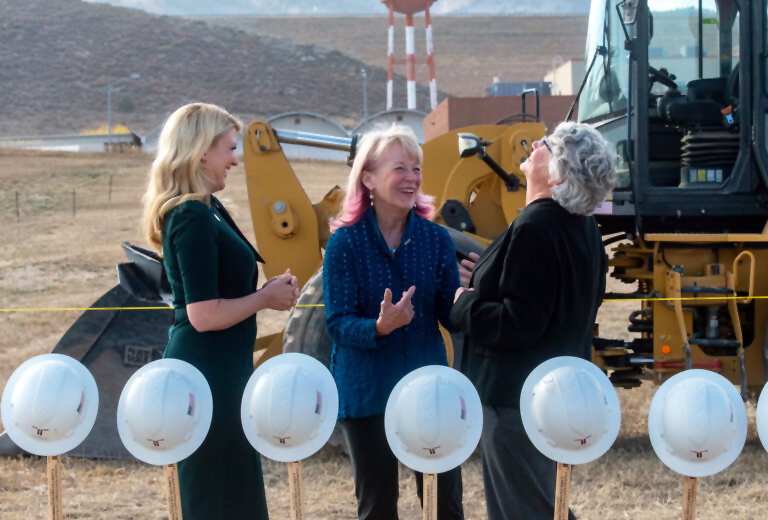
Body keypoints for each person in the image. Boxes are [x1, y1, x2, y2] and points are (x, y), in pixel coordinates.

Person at [451, 121, 615, 520]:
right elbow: (561, 302)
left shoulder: (535, 226)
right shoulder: (584, 228)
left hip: (514, 401)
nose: (536, 144)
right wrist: (486, 278)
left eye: (549, 144)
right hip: (555, 394)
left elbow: (518, 322)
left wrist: (463, 304)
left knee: (524, 510)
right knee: (543, 504)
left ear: (557, 172)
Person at [141, 103, 298, 519]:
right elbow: (203, 315)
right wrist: (265, 297)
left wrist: (267, 293)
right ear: (201, 150)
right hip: (206, 375)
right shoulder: (190, 215)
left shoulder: (206, 208)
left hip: (223, 370)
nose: (235, 159)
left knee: (232, 491)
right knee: (216, 497)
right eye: (229, 148)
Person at [323, 124, 464, 520]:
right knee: (377, 508)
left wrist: (470, 300)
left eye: (416, 169)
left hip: (428, 392)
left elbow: (448, 314)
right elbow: (337, 323)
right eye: (400, 168)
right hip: (367, 392)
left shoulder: (436, 239)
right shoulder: (344, 243)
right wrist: (379, 327)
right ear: (368, 178)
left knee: (445, 505)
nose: (412, 178)